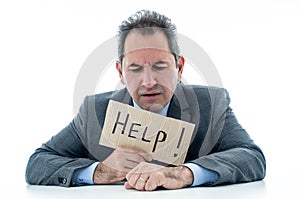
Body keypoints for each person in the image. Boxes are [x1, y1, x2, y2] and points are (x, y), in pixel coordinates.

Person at [25, 10, 266, 191]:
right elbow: (38, 163)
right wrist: (103, 171)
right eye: (135, 68)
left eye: (160, 66)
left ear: (179, 67)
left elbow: (251, 157)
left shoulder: (210, 104)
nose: (148, 81)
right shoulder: (95, 111)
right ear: (120, 72)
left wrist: (181, 174)